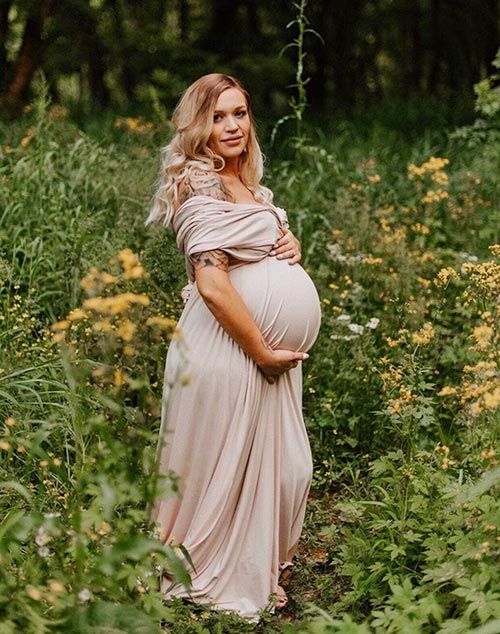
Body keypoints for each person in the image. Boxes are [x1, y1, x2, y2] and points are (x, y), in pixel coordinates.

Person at [147, 73, 321, 620]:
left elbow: (255, 254)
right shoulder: (199, 185)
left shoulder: (250, 187)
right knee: (219, 473)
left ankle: (260, 564)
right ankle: (219, 574)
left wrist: (288, 243)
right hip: (230, 351)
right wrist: (263, 352)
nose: (231, 126)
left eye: (240, 113)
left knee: (290, 468)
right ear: (199, 126)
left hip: (264, 355)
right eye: (218, 116)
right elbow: (212, 283)